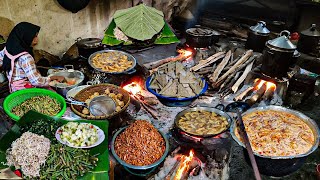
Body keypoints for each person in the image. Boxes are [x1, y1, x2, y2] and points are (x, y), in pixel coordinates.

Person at [0, 22, 64, 92]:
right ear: (24, 37)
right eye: (34, 37)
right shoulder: (26, 57)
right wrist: (52, 78)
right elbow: (36, 81)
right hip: (26, 90)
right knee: (54, 94)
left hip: (14, 89)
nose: (36, 41)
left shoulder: (7, 49)